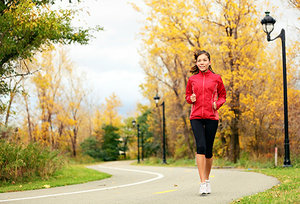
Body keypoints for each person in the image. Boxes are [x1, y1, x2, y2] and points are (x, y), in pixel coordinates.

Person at [185, 50, 226, 195]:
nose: (201, 63)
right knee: (200, 146)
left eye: (204, 60)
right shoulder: (192, 79)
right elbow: (187, 96)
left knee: (208, 150)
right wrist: (191, 99)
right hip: (195, 116)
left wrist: (217, 104)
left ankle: (207, 179)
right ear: (196, 63)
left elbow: (223, 96)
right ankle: (202, 182)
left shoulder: (216, 78)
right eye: (199, 61)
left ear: (209, 62)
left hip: (211, 116)